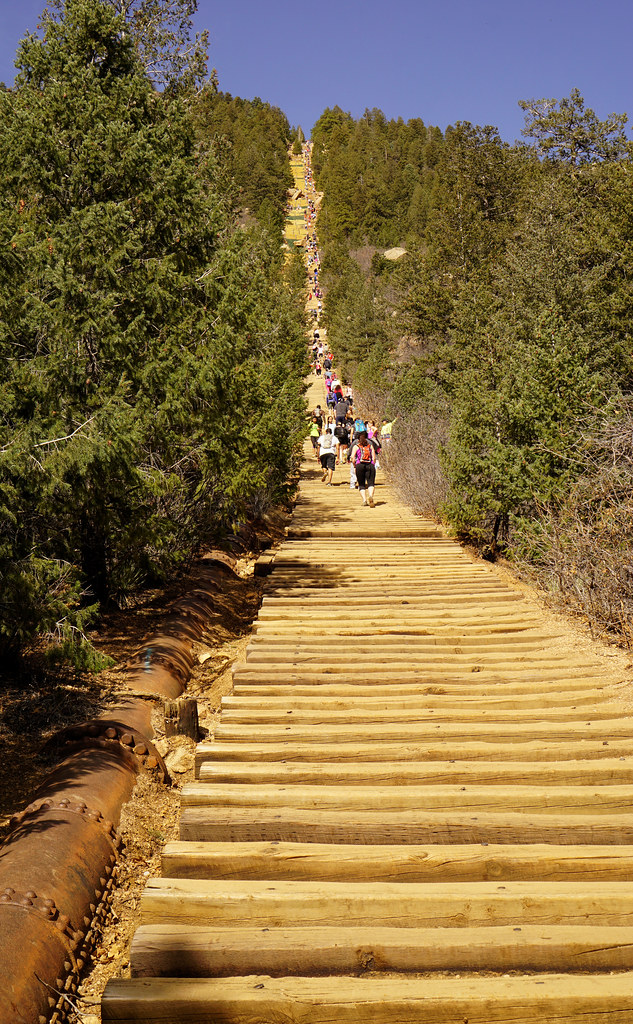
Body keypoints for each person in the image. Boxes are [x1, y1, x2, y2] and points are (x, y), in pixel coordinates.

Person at [349, 431, 376, 506]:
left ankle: (364, 500)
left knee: (361, 484)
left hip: (360, 465)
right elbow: (374, 458)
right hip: (370, 465)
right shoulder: (370, 446)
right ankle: (370, 496)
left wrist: (354, 465)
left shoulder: (356, 446)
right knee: (371, 483)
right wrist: (373, 464)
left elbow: (352, 458)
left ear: (358, 440)